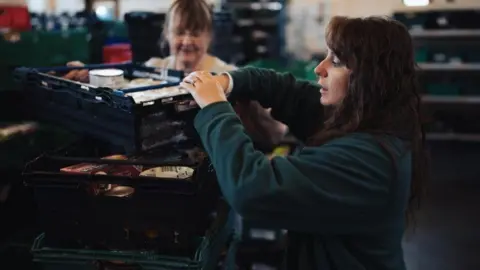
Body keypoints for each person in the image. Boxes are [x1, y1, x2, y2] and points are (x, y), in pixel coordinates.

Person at [180, 16, 429, 270]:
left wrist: (215, 108)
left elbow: (252, 188)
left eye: (337, 62)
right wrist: (228, 82)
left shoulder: (369, 159)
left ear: (370, 78)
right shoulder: (365, 117)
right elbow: (287, 90)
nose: (319, 69)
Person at [63, 0, 286, 148]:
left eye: (196, 33)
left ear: (209, 37)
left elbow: (274, 134)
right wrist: (89, 76)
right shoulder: (151, 68)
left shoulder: (227, 75)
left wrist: (250, 103)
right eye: (180, 32)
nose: (187, 41)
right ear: (167, 34)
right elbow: (117, 87)